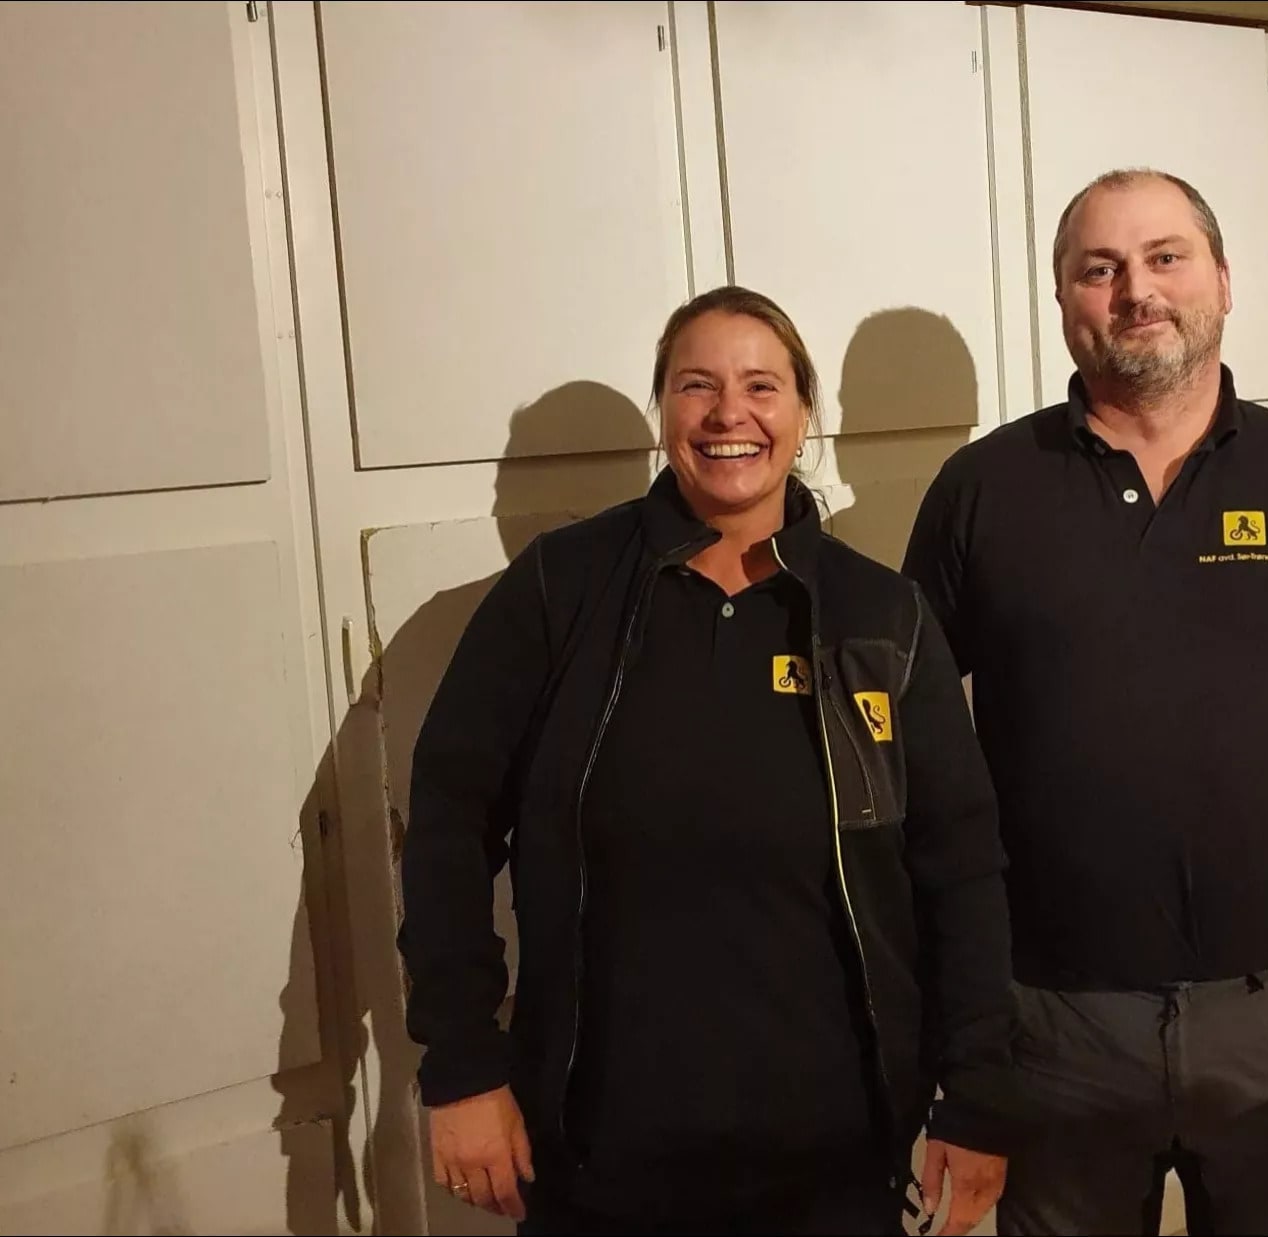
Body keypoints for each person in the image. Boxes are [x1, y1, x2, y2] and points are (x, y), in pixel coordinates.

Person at [902, 168, 1268, 1236]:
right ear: (1063, 300)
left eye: (1165, 257)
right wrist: (950, 1022)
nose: (1136, 289)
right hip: (1052, 1020)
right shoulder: (981, 490)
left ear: (1222, 279)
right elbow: (907, 756)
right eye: (1100, 268)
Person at [397, 285, 1017, 1236]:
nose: (731, 413)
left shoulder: (882, 617)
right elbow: (449, 819)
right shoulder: (560, 588)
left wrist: (975, 1097)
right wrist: (462, 1063)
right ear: (664, 409)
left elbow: (961, 866)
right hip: (599, 1161)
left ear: (803, 414)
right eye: (698, 385)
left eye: (761, 386)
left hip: (835, 1163)